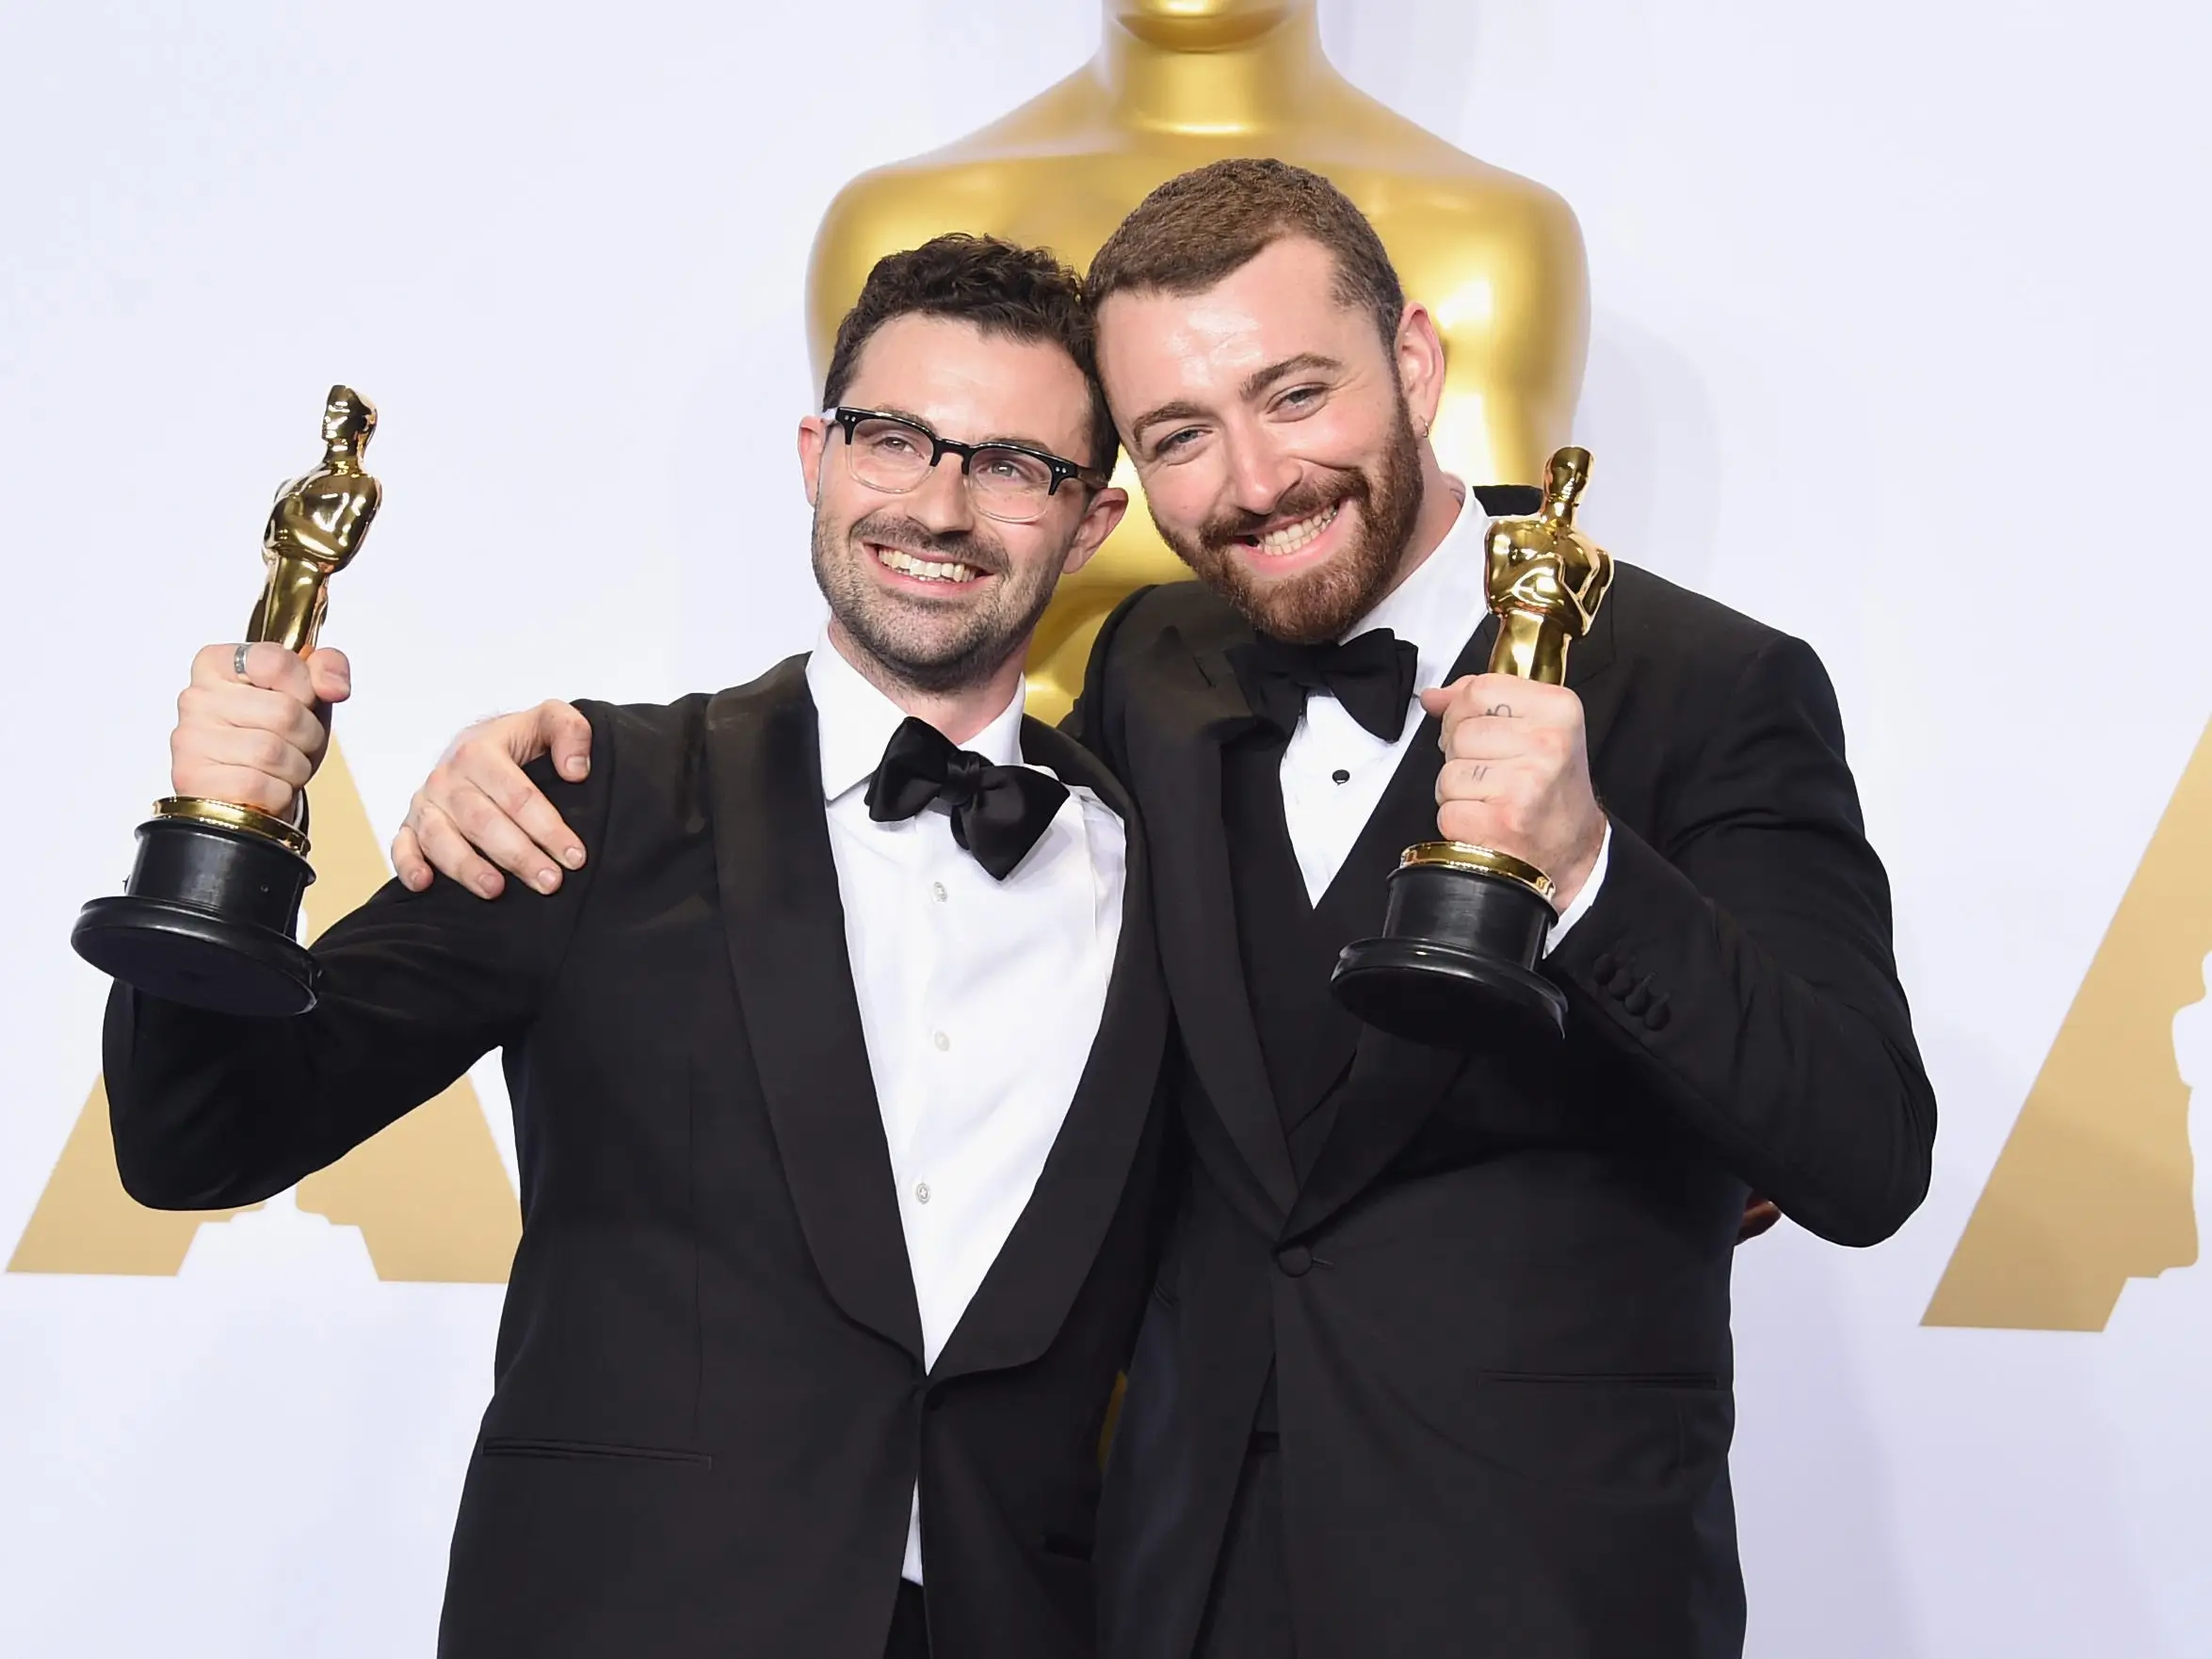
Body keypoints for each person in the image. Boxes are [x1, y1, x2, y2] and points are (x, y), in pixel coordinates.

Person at [397, 161, 1937, 1659]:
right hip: (1170, 1593)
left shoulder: (1710, 684)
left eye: (1297, 394)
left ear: (1415, 359)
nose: (1255, 483)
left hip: (1542, 1590)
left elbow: (1863, 1146)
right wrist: (543, 762)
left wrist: (1592, 874)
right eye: (1182, 434)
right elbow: (930, 841)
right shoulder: (1155, 666)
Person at [103, 234, 1170, 1659]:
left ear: (1091, 521)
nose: (938, 503)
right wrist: (221, 830)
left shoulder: (1159, 862)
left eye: (1015, 466)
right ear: (816, 456)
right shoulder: (585, 796)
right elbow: (199, 1137)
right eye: (894, 438)